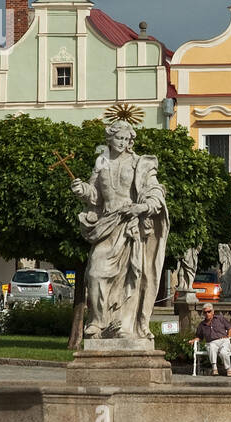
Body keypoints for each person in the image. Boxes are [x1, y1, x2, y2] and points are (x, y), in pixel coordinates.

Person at [70, 120, 169, 340]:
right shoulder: (102, 162)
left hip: (129, 227)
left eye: (126, 139)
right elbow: (95, 195)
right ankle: (97, 322)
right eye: (118, 138)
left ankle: (123, 326)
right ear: (110, 139)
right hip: (106, 225)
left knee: (129, 278)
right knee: (95, 273)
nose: (123, 143)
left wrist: (141, 207)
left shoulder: (139, 164)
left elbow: (156, 194)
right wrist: (82, 190)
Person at [193, 302, 231, 376]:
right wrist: (194, 340)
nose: (207, 314)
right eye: (205, 312)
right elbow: (199, 337)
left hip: (223, 340)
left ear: (213, 312)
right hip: (212, 342)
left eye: (209, 311)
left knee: (223, 353)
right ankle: (214, 368)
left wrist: (228, 337)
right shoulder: (202, 324)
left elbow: (229, 328)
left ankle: (228, 369)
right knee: (211, 347)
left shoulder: (220, 318)